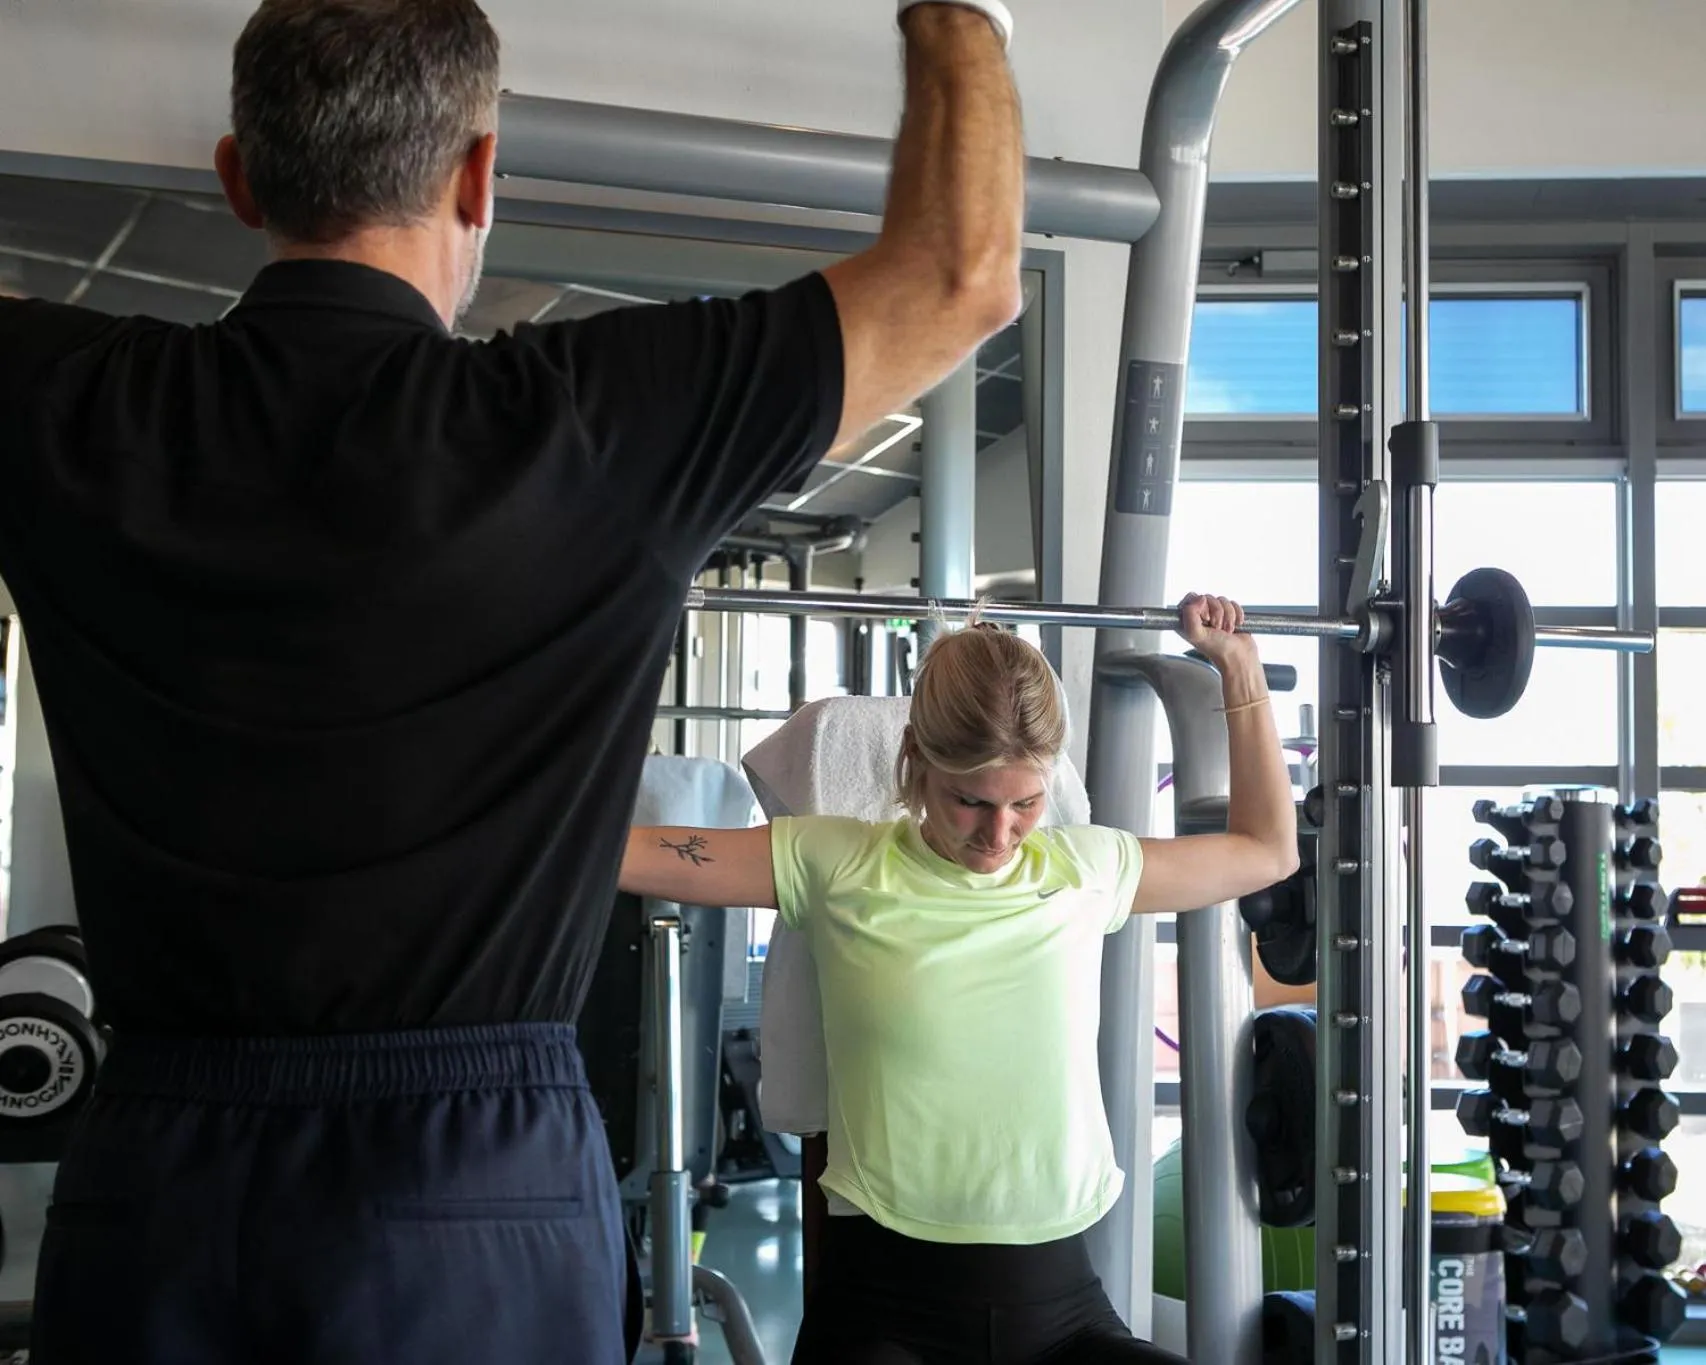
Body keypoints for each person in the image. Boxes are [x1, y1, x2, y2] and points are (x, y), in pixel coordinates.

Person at [0, 1, 1027, 1360]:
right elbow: (961, 275)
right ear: (480, 176)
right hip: (471, 1179)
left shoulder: (62, 402)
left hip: (155, 1178)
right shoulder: (588, 424)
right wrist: (955, 17)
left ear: (237, 178)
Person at [620, 595, 1300, 1364]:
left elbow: (1267, 850)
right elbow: (620, 850)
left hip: (1065, 1316)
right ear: (916, 760)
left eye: (1026, 802)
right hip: (883, 1314)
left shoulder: (1088, 869)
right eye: (970, 800)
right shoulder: (835, 859)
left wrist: (1238, 670)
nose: (1000, 832)